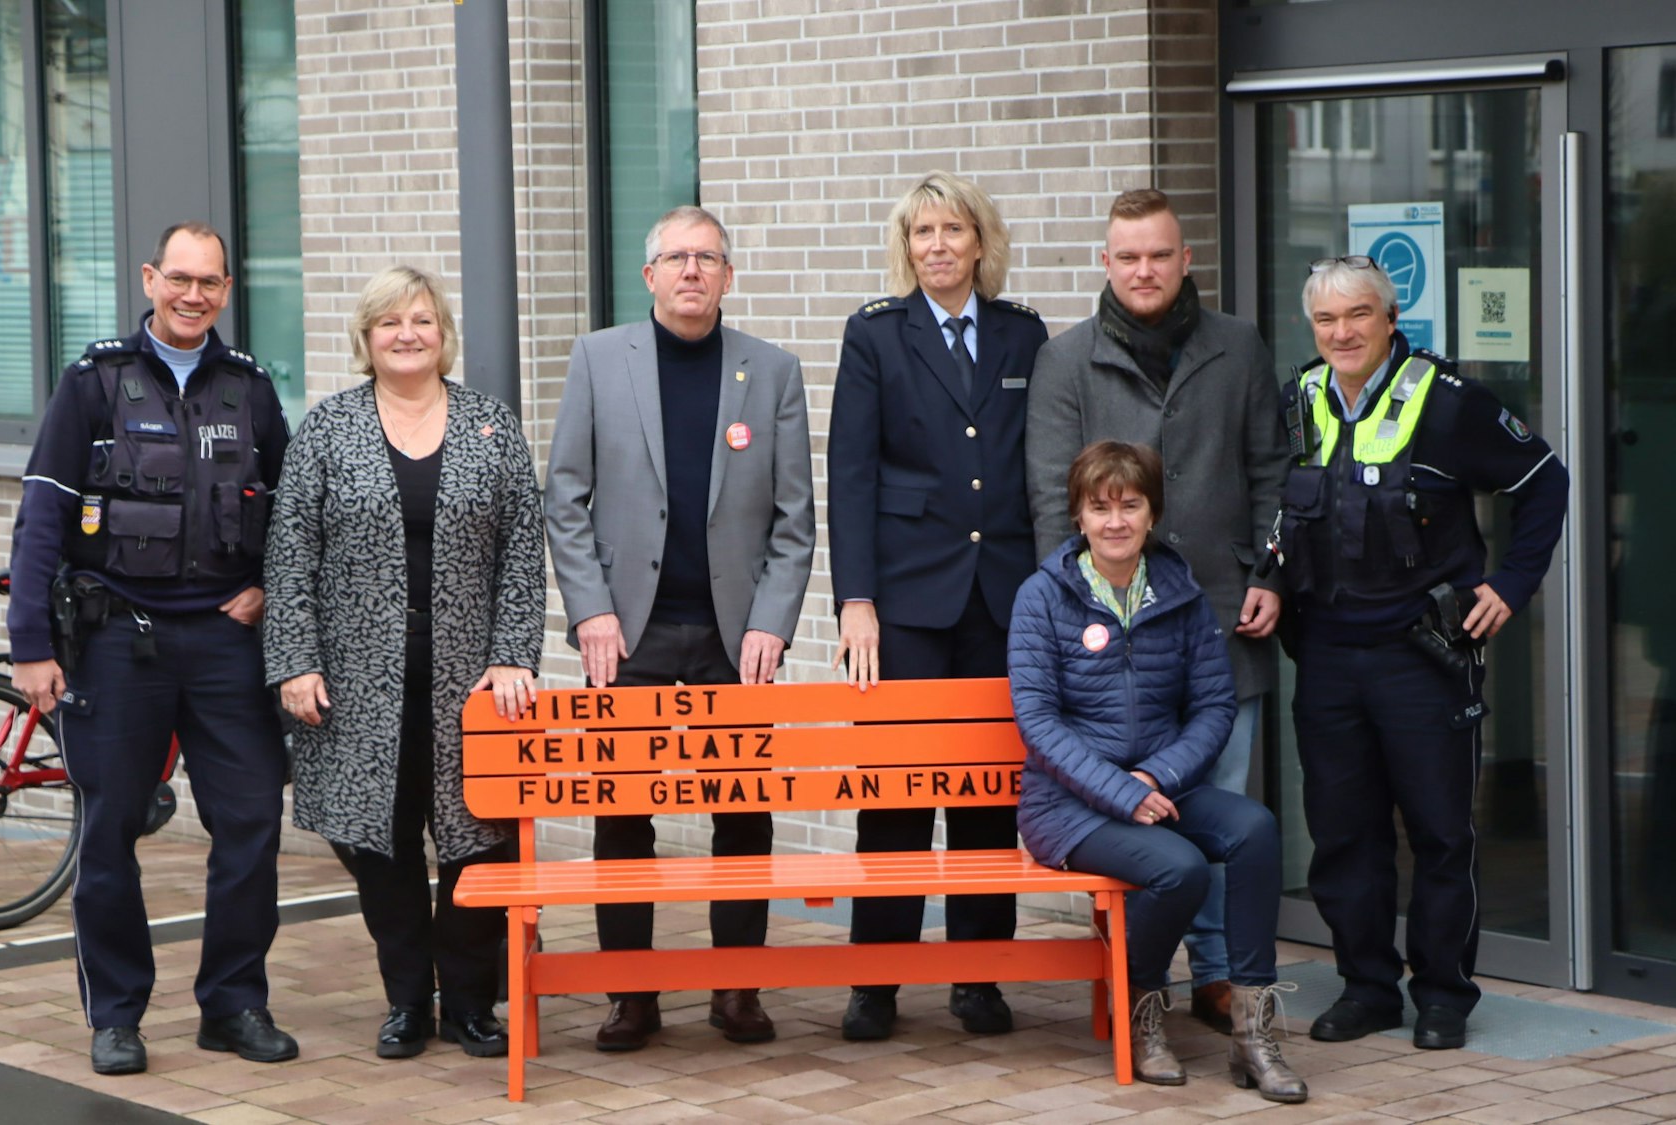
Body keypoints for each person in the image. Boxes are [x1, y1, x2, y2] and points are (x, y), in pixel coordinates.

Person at [6, 221, 296, 1076]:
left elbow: (292, 513)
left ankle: (235, 1003)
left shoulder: (251, 390)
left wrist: (272, 588)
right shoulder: (94, 382)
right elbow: (43, 515)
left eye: (210, 281)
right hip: (115, 640)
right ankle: (118, 1014)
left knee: (249, 820)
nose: (193, 295)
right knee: (111, 832)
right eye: (179, 278)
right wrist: (30, 643)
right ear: (150, 278)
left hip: (225, 642)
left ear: (228, 289)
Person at [1278, 257, 1568, 1051]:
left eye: (1358, 315)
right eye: (1327, 320)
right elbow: (1287, 512)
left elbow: (1545, 480)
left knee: (1440, 832)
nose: (1342, 332)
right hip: (1329, 654)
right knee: (1344, 833)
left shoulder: (1448, 403)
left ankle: (1443, 993)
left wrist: (1510, 583)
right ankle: (1367, 986)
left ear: (1389, 317)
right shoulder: (1299, 397)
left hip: (1422, 655)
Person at [544, 204, 815, 1053]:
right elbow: (566, 498)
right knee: (623, 810)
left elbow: (794, 520)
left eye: (709, 258)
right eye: (677, 257)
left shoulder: (772, 371)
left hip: (738, 637)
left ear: (728, 277)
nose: (693, 270)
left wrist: (772, 621)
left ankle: (738, 987)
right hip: (630, 635)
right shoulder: (598, 358)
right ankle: (631, 993)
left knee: (744, 810)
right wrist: (590, 608)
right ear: (649, 274)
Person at [260, 266, 545, 1061]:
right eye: (390, 322)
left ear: (443, 333)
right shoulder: (327, 428)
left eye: (421, 319)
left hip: (470, 684)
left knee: (477, 842)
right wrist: (295, 660)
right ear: (367, 338)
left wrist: (515, 654)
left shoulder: (491, 426)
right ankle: (407, 1000)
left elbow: (523, 552)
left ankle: (470, 1002)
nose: (407, 333)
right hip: (354, 687)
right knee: (378, 848)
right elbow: (290, 556)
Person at [1025, 188, 1288, 1034]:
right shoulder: (1065, 360)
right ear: (1106, 262)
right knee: (1137, 818)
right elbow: (1046, 495)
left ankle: (1218, 978)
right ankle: (1139, 984)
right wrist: (1070, 614)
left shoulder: (1239, 346)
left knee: (1216, 797)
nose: (1145, 269)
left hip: (1219, 611)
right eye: (1128, 255)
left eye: (1160, 254)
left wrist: (1270, 571)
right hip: (1103, 633)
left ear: (1184, 261)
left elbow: (1272, 469)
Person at [1009, 441, 1305, 1101]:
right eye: (1100, 506)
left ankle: (1252, 1033)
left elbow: (1213, 703)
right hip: (1067, 806)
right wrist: (1119, 790)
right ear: (1079, 517)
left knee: (1254, 829)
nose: (1116, 520)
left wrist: (1155, 778)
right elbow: (1038, 721)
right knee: (1181, 868)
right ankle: (1141, 1005)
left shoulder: (1180, 590)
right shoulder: (1043, 596)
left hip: (1160, 789)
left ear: (1152, 513)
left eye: (1131, 504)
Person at [827, 171, 1046, 1042]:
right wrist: (857, 602)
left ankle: (977, 978)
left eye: (953, 229)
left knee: (989, 796)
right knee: (895, 792)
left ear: (980, 241)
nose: (938, 246)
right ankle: (876, 980)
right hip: (908, 603)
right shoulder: (876, 335)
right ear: (906, 246)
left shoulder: (1024, 336)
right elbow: (850, 473)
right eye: (923, 232)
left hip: (1003, 599)